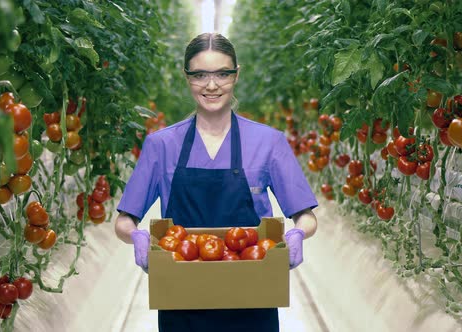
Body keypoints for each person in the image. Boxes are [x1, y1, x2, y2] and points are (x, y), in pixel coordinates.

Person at [114, 32, 318, 332]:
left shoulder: (268, 142)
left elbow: (305, 214)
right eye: (200, 75)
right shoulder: (161, 145)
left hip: (253, 298)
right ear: (187, 77)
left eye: (222, 73)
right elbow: (124, 219)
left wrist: (298, 233)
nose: (211, 85)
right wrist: (137, 238)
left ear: (236, 75)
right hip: (181, 298)